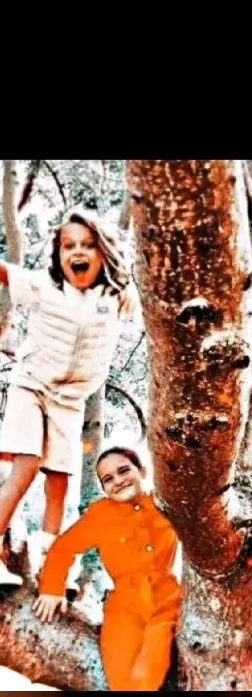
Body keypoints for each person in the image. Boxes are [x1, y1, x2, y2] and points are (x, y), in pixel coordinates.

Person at [0, 208, 137, 588]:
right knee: (26, 467)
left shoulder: (117, 295)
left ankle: (51, 566)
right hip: (31, 385)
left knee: (60, 480)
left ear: (103, 252)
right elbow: (6, 273)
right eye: (68, 245)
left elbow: (157, 303)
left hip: (71, 400)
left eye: (88, 245)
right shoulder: (45, 285)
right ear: (58, 254)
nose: (77, 252)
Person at [33, 447, 181, 692]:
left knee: (152, 662)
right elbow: (63, 548)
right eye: (108, 479)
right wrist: (52, 588)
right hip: (123, 605)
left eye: (124, 471)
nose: (118, 481)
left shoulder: (165, 503)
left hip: (168, 599)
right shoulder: (100, 514)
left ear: (142, 470)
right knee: (120, 670)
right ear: (104, 489)